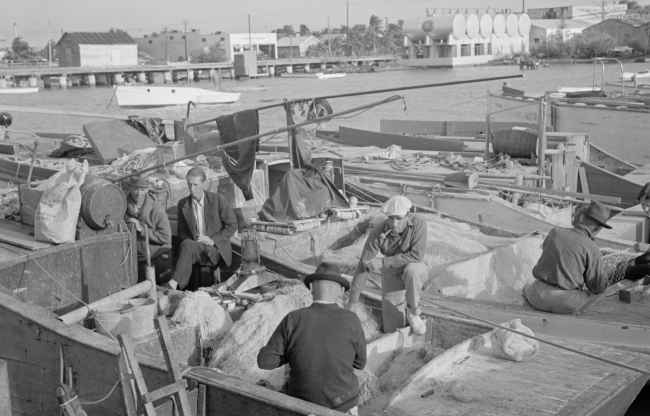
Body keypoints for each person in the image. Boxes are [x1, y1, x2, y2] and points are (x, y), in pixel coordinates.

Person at [257, 262, 366, 415]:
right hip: (343, 407)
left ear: (312, 289)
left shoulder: (293, 319)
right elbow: (360, 364)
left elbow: (264, 362)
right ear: (341, 291)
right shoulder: (352, 319)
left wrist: (292, 353)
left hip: (301, 407)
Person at [347, 195, 428, 336]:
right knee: (392, 326)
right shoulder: (378, 231)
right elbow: (363, 266)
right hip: (392, 271)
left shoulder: (419, 222)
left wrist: (383, 262)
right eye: (391, 218)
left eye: (399, 219)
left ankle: (414, 312)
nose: (394, 223)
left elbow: (417, 256)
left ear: (408, 216)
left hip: (415, 265)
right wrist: (353, 302)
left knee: (412, 271)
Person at [523, 201, 616, 314]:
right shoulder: (592, 248)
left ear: (581, 217)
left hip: (537, 297)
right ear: (598, 229)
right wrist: (606, 273)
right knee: (592, 294)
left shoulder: (554, 232)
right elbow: (597, 288)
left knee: (526, 287)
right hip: (566, 303)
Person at [171, 167, 237, 290]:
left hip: (214, 249)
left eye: (196, 185)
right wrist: (193, 242)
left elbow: (232, 224)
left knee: (187, 245)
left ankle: (174, 284)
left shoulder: (218, 200)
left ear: (204, 184)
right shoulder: (183, 204)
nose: (192, 189)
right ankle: (180, 287)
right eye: (189, 184)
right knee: (187, 244)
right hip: (194, 248)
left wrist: (213, 240)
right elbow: (182, 231)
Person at [124, 176, 172, 284]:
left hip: (158, 257)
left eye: (142, 189)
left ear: (147, 189)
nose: (138, 193)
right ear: (130, 188)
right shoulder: (122, 207)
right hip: (136, 259)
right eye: (135, 189)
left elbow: (166, 237)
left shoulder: (157, 209)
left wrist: (142, 229)